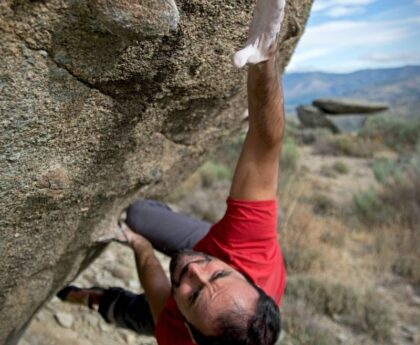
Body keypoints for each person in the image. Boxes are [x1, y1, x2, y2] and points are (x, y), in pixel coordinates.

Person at [57, 0, 287, 344]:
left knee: (139, 313)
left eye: (194, 294)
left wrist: (138, 247)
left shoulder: (175, 336)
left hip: (173, 314)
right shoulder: (248, 253)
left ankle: (93, 299)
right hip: (223, 249)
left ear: (191, 333)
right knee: (139, 215)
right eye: (218, 274)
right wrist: (265, 62)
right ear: (243, 277)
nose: (196, 270)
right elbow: (263, 146)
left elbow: (156, 286)